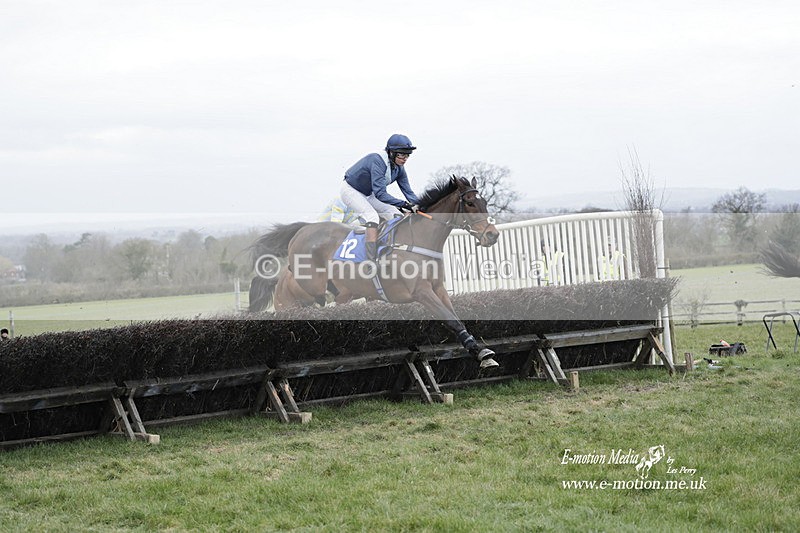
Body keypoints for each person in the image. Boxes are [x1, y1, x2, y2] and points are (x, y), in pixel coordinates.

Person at [341, 134, 421, 260]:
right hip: (351, 191)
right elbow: (381, 194)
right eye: (401, 154)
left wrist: (421, 206)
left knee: (396, 215)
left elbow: (408, 192)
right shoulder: (377, 161)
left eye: (407, 155)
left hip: (369, 194)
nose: (405, 158)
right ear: (391, 153)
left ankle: (386, 250)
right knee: (372, 217)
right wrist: (404, 204)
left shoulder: (399, 169)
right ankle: (370, 260)